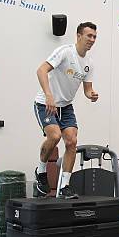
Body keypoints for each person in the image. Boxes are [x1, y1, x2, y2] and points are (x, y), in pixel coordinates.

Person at [34, 22, 99, 199]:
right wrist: (48, 95)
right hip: (46, 103)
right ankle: (40, 171)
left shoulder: (89, 64)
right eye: (89, 36)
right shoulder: (65, 52)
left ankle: (64, 186)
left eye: (94, 36)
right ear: (79, 36)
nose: (92, 39)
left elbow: (87, 89)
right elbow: (41, 70)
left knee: (71, 142)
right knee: (54, 137)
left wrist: (91, 94)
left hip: (66, 107)